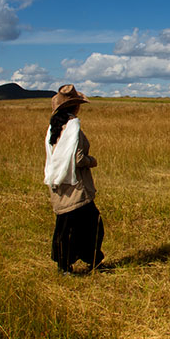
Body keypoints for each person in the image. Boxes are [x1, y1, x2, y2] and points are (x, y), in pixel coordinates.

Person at [44, 84, 104, 274]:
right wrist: (91, 161)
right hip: (76, 186)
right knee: (92, 225)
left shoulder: (53, 127)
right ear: (75, 106)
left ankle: (66, 266)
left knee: (65, 227)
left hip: (59, 184)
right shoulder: (73, 127)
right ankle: (90, 260)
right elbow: (78, 159)